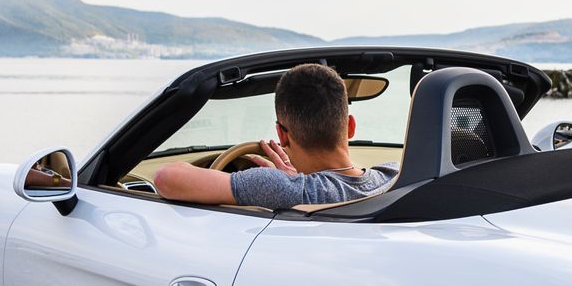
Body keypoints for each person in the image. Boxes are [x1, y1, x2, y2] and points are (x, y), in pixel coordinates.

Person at [152, 62, 399, 209]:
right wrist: (297, 178)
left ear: (282, 135)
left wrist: (286, 181)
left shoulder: (284, 189)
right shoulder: (396, 175)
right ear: (351, 126)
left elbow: (165, 178)